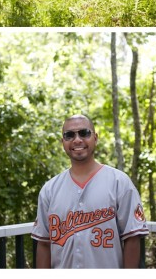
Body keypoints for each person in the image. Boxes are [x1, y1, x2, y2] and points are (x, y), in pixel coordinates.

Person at [31, 114, 149, 269]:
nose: (77, 140)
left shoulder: (119, 182)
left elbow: (133, 239)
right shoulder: (50, 189)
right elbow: (44, 244)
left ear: (95, 138)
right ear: (63, 142)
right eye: (69, 135)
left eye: (84, 133)